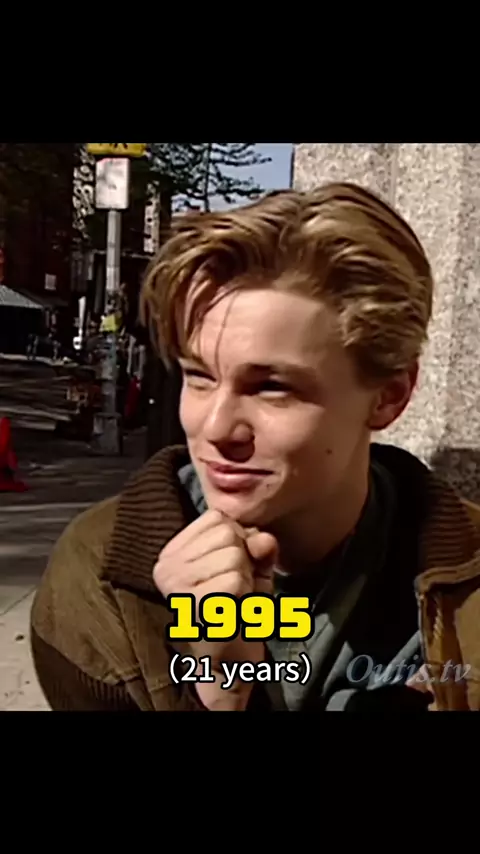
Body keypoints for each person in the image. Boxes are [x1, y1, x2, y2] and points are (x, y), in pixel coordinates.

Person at [30, 183, 480, 712]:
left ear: (389, 396)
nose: (216, 427)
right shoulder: (98, 580)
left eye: (271, 387)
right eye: (199, 377)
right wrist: (218, 691)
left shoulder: (466, 581)